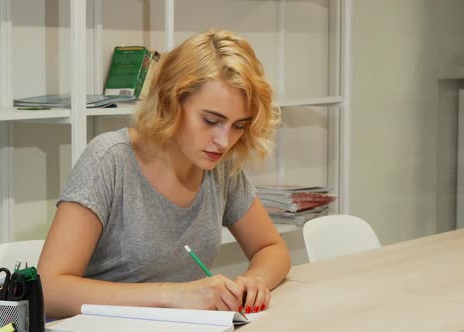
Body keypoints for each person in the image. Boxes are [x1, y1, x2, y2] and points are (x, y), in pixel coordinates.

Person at [38, 29, 291, 319]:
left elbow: (271, 248)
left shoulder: (218, 167)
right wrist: (171, 295)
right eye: (211, 120)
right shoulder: (110, 160)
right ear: (171, 101)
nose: (224, 141)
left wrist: (255, 281)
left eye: (238, 125)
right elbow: (50, 289)